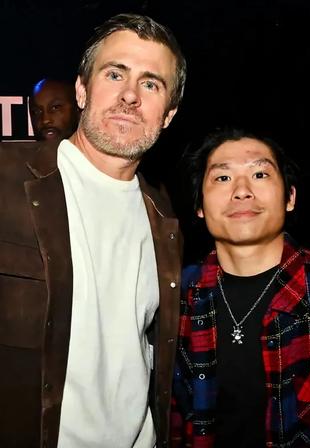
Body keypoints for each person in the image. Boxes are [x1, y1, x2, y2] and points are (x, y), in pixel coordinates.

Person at [0, 13, 186, 447]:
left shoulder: (162, 214)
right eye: (115, 73)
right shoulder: (7, 177)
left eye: (151, 83)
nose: (130, 96)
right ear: (83, 89)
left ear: (169, 115)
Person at [172, 128, 310, 447]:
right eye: (222, 178)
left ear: (290, 197)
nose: (242, 191)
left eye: (260, 173)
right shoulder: (174, 298)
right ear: (200, 206)